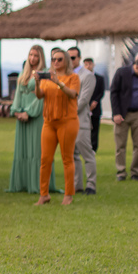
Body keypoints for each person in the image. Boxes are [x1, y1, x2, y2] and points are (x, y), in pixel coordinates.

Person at [33, 48, 80, 206]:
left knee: (67, 159)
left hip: (67, 121)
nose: (56, 62)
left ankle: (68, 194)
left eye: (60, 59)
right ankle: (44, 194)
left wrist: (58, 82)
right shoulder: (47, 77)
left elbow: (72, 94)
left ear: (66, 60)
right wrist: (37, 81)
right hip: (49, 122)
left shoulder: (73, 77)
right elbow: (39, 95)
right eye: (54, 59)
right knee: (45, 159)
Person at [7, 45, 57, 194]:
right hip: (21, 115)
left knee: (37, 150)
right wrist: (16, 111)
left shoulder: (45, 74)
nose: (32, 58)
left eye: (36, 55)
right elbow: (18, 94)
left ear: (40, 57)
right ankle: (22, 183)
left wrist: (29, 113)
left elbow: (43, 97)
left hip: (36, 116)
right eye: (30, 55)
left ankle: (38, 184)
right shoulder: (24, 73)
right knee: (22, 150)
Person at [73, 57, 98, 196]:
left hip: (80, 120)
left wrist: (68, 112)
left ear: (78, 58)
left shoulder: (87, 75)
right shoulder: (64, 75)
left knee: (87, 153)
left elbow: (83, 99)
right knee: (72, 155)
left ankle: (91, 185)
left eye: (73, 57)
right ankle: (77, 186)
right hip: (66, 121)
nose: (70, 60)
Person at [84, 58, 105, 153]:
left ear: (93, 64)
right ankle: (84, 147)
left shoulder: (99, 78)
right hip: (84, 107)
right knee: (84, 129)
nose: (88, 66)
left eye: (90, 64)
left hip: (95, 108)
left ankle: (94, 148)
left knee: (95, 128)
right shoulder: (81, 78)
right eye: (86, 64)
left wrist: (95, 101)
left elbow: (101, 92)